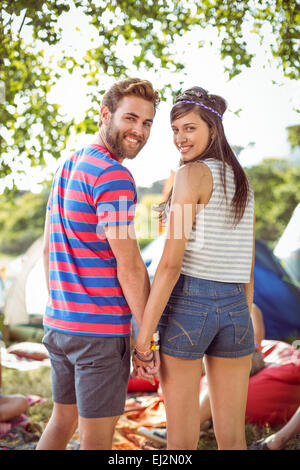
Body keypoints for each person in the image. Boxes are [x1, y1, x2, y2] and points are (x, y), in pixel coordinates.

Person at [36, 78, 160, 450]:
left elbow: (47, 250)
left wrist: (65, 306)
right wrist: (145, 343)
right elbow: (131, 267)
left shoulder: (68, 164)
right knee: (97, 443)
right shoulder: (114, 176)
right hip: (98, 335)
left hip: (60, 325)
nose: (139, 130)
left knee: (62, 421)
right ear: (105, 114)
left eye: (148, 123)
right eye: (131, 118)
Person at [133, 86, 255, 450]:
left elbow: (170, 263)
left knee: (181, 442)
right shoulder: (241, 180)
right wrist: (244, 314)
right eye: (174, 130)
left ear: (212, 130)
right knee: (232, 438)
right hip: (235, 307)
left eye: (189, 128)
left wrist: (144, 337)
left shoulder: (192, 174)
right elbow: (245, 261)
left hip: (190, 303)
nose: (179, 138)